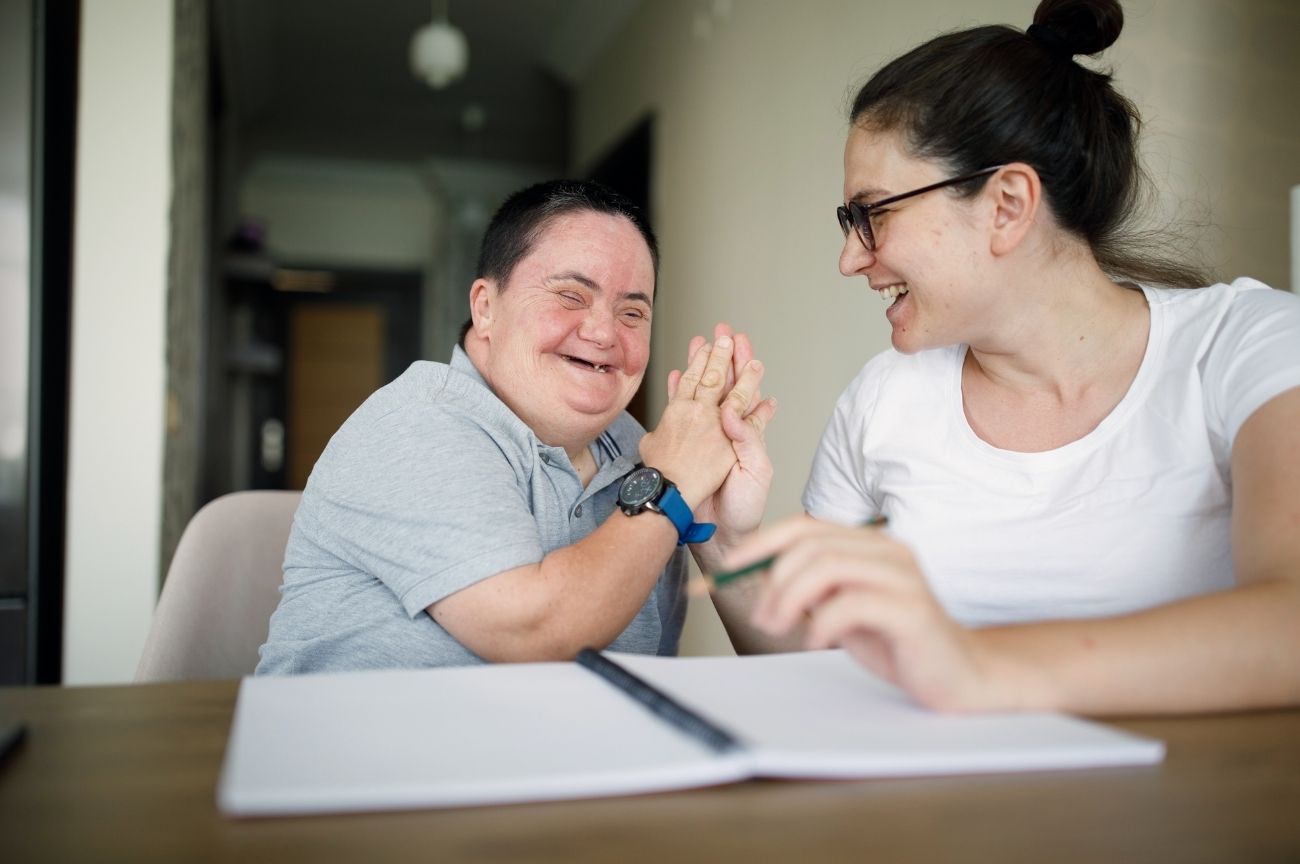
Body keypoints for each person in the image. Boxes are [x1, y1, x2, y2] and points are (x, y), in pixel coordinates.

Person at [716, 0, 1300, 715]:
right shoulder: (881, 401)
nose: (849, 258)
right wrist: (719, 532)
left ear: (1007, 204)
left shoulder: (1251, 346)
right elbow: (813, 665)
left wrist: (977, 668)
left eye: (873, 214)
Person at [257, 179, 775, 674]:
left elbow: (669, 681)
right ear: (485, 308)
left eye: (633, 313)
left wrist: (718, 537)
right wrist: (670, 487)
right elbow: (537, 634)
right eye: (571, 296)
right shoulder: (418, 423)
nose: (602, 332)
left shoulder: (644, 455)